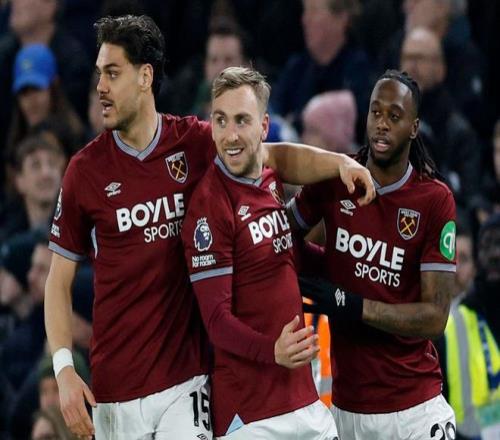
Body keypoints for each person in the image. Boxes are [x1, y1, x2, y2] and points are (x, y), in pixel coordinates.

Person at [44, 14, 374, 439]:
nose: (100, 87)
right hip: (117, 386)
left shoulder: (194, 142)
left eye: (112, 73)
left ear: (145, 77)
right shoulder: (85, 171)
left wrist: (340, 163)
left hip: (187, 382)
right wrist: (64, 370)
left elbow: (273, 156)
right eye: (98, 74)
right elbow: (57, 281)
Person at [289, 70, 457, 439]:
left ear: (414, 128)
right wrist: (314, 267)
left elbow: (435, 317)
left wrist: (352, 305)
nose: (382, 124)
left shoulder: (434, 199)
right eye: (375, 112)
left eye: (394, 116)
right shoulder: (336, 177)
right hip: (346, 412)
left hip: (414, 410)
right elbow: (279, 237)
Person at [181, 66, 339, 439]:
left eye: (241, 120)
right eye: (220, 121)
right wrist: (273, 351)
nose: (230, 135)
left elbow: (287, 257)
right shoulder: (209, 208)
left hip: (304, 401)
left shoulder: (271, 181)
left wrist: (348, 269)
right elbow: (217, 321)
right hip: (251, 416)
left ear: (264, 126)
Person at [440, 213, 500, 440]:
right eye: (449, 258)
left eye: (463, 259)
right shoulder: (451, 327)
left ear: (474, 266)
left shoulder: (480, 316)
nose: (454, 269)